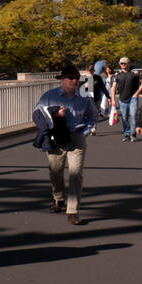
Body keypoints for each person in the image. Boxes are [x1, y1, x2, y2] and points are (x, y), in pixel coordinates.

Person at [32, 64, 97, 225]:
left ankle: (73, 211)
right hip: (57, 138)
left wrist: (86, 132)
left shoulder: (84, 96)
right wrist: (55, 114)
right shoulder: (50, 95)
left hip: (76, 137)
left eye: (77, 78)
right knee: (55, 171)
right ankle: (58, 198)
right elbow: (38, 114)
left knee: (76, 174)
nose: (75, 81)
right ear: (62, 80)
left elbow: (93, 115)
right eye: (71, 78)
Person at [111, 58, 141, 142]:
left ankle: (133, 134)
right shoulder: (117, 75)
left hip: (133, 99)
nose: (123, 65)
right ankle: (126, 134)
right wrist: (113, 100)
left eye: (125, 63)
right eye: (121, 63)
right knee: (124, 118)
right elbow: (113, 88)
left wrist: (137, 93)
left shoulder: (135, 74)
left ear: (128, 63)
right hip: (122, 99)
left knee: (133, 115)